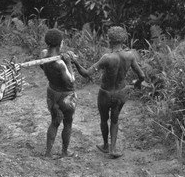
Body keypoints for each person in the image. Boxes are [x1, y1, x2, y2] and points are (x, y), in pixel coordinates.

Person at [72, 26, 145, 159]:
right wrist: (137, 83)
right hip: (121, 93)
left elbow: (86, 73)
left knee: (104, 119)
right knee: (115, 120)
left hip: (105, 93)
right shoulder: (130, 56)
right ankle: (113, 148)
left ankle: (105, 145)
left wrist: (75, 62)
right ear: (124, 40)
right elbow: (142, 76)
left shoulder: (107, 58)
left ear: (109, 40)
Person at [40, 28, 80, 158]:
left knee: (54, 122)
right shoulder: (60, 64)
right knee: (67, 122)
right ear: (61, 43)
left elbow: (42, 66)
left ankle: (48, 152)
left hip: (52, 93)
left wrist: (64, 56)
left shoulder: (43, 54)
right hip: (66, 96)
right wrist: (69, 63)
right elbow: (71, 81)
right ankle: (64, 151)